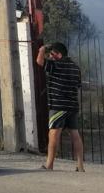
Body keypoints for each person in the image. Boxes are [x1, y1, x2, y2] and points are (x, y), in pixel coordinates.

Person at [36, 42, 84, 172]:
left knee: (53, 134)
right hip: (73, 106)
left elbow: (39, 61)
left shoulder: (56, 65)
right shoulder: (75, 67)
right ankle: (80, 166)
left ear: (59, 54)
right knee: (75, 134)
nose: (50, 56)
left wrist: (42, 49)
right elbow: (78, 85)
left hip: (58, 106)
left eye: (52, 54)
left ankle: (49, 165)